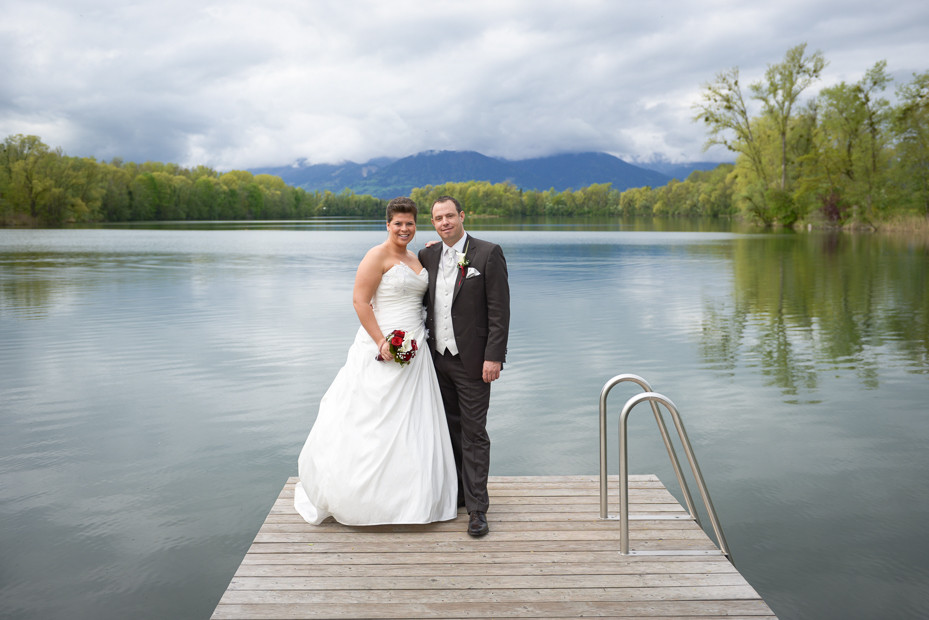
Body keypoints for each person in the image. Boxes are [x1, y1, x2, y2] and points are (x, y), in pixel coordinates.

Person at [294, 197, 458, 525]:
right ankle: (362, 500)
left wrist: (436, 250)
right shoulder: (376, 255)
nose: (404, 228)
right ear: (387, 225)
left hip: (416, 352)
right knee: (373, 420)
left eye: (409, 223)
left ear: (416, 225)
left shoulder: (419, 257)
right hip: (381, 346)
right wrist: (382, 342)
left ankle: (413, 500)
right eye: (398, 223)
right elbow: (360, 301)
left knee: (414, 423)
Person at [419, 196, 510, 537]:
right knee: (448, 431)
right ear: (434, 223)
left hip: (473, 361)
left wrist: (494, 356)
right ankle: (457, 494)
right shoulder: (427, 255)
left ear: (462, 216)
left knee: (474, 434)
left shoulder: (487, 253)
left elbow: (499, 311)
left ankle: (477, 510)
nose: (444, 222)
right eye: (438, 218)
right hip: (436, 360)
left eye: (449, 216)